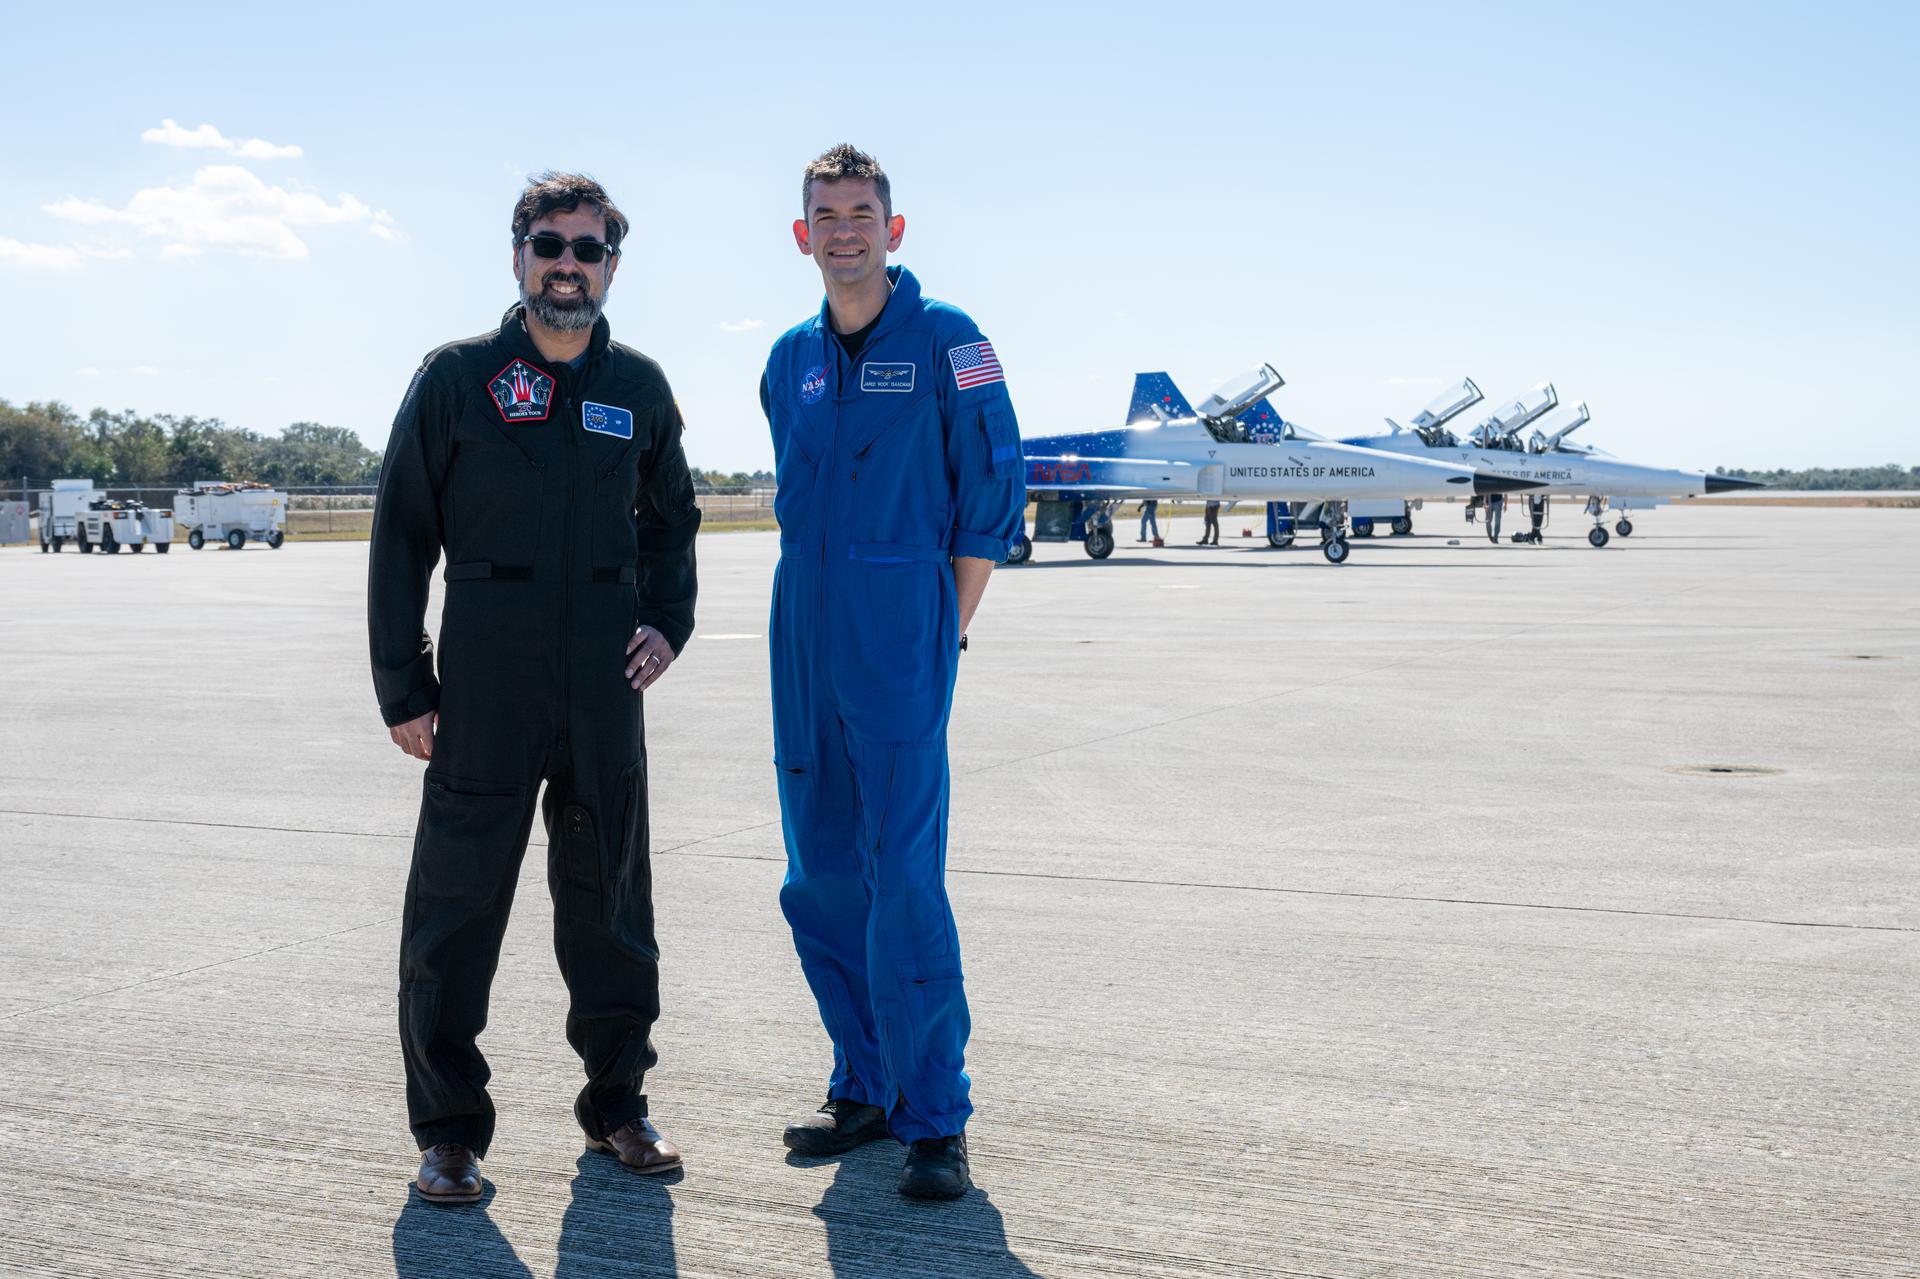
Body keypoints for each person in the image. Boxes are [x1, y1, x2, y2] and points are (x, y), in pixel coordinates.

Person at [368, 172, 700, 1205]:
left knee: (612, 907)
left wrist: (666, 620)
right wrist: (403, 684)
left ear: (611, 264)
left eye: (588, 249)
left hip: (604, 681)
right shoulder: (458, 379)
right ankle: (450, 1132)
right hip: (487, 679)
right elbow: (401, 533)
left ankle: (617, 1108)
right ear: (517, 255)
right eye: (549, 243)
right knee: (455, 908)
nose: (569, 263)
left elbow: (672, 523)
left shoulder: (637, 388)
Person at [759, 144, 1025, 1201]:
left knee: (904, 879)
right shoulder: (789, 358)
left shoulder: (952, 341)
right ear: (802, 235)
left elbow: (990, 495)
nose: (845, 230)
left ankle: (933, 1117)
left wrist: (937, 625)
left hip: (902, 628)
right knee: (820, 873)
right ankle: (863, 1087)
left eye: (862, 212)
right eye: (825, 215)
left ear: (894, 228)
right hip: (803, 633)